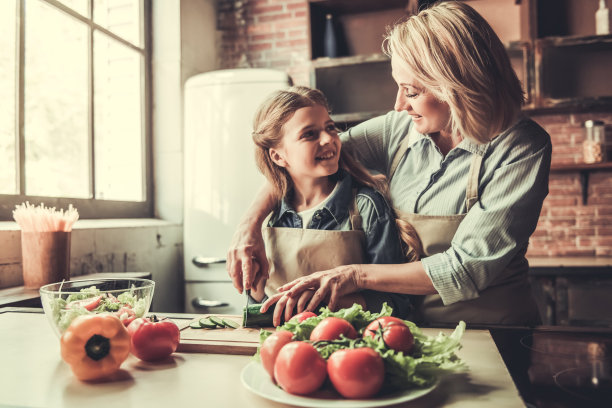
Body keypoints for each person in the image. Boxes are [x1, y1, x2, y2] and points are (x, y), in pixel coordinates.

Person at [228, 1, 551, 326]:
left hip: (491, 332)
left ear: (455, 86)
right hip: (402, 330)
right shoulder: (400, 128)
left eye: (410, 91)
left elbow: (464, 268)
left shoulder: (521, 147)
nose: (398, 105)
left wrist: (355, 276)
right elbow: (301, 164)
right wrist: (249, 227)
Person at [245, 86, 420, 325]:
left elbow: (397, 303)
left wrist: (325, 301)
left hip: (348, 347)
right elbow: (256, 309)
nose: (329, 139)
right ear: (278, 156)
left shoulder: (366, 207)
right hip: (285, 350)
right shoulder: (267, 219)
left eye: (330, 128)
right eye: (309, 134)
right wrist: (254, 290)